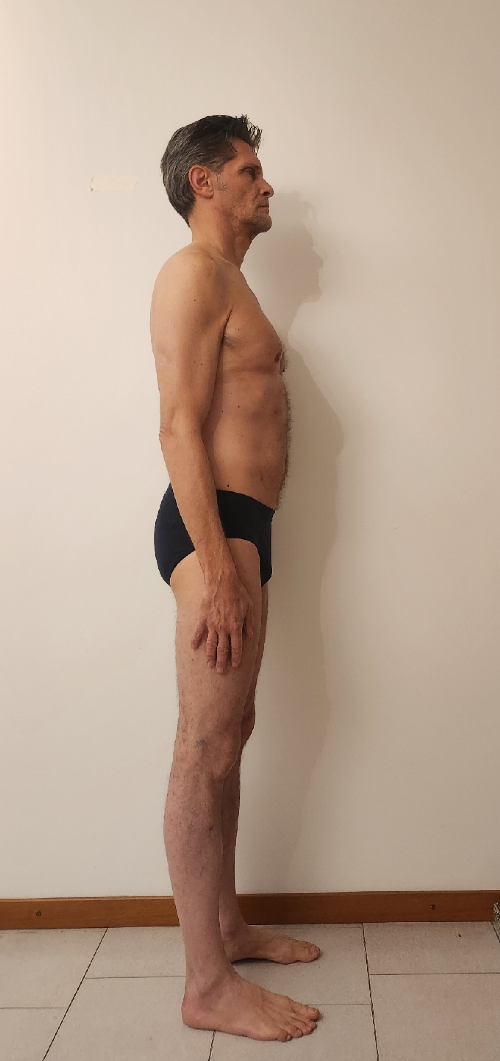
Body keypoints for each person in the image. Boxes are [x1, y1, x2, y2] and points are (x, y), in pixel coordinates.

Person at [150, 114, 321, 1042]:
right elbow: (179, 424)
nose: (267, 184)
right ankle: (205, 986)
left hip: (244, 527)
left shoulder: (232, 282)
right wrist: (217, 566)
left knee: (233, 731)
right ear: (204, 181)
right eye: (250, 170)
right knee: (205, 744)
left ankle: (227, 929)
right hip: (209, 525)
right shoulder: (191, 274)